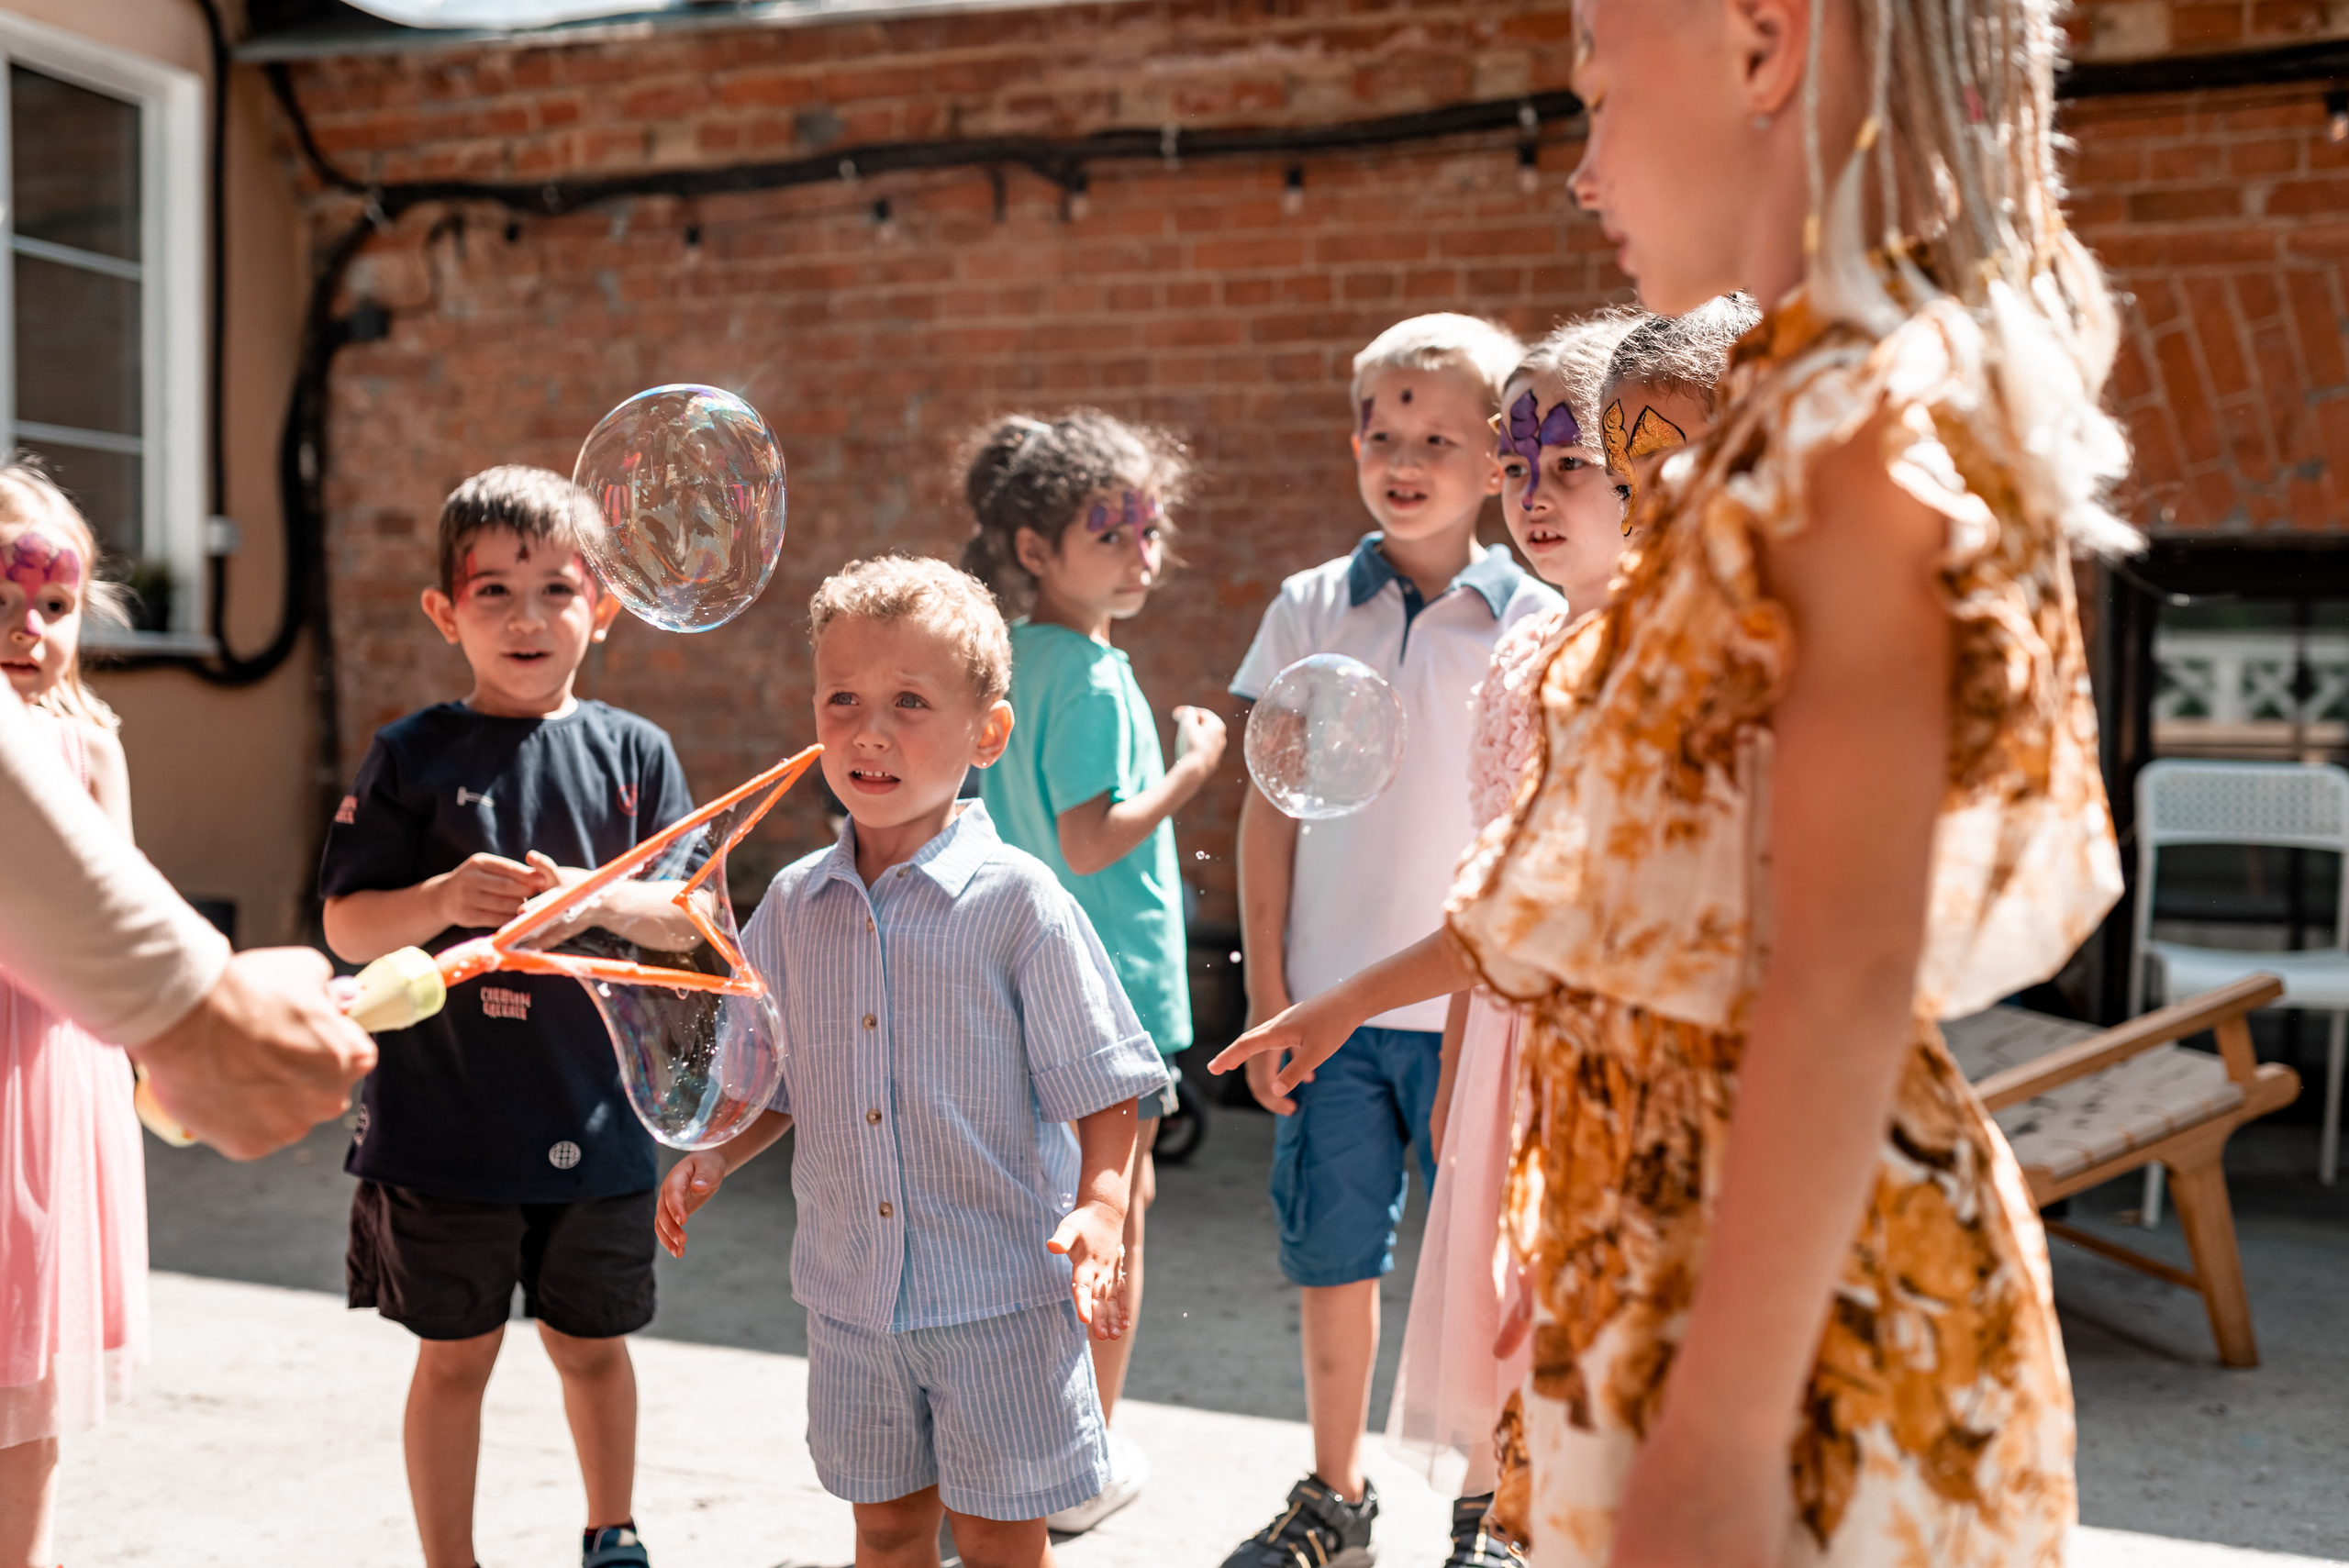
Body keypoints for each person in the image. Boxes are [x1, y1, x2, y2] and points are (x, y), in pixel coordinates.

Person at [1444, 1, 2133, 1562]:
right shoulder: (1796, 417)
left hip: (1792, 1341)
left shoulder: (1848, 444)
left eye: (1600, 89)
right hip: (1687, 1268)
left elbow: (1844, 971)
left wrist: (1723, 1432)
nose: (1583, 167)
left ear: (1765, 49)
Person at [1214, 299, 1753, 1561]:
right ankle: (1473, 1508)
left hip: (1621, 1046)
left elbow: (1528, 907)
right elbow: (1492, 886)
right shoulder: (1531, 650)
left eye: (1568, 463)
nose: (1534, 492)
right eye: (1520, 464)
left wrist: (1347, 999)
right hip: (1507, 1037)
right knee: (1501, 1305)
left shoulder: (1654, 654)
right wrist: (1453, 1046)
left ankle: (1522, 1515)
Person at [655, 555, 1169, 1568]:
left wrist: (1103, 1206)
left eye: (908, 702)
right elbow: (776, 1078)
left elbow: (1108, 1083)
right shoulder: (797, 903)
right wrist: (717, 1149)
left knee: (993, 1532)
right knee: (885, 1527)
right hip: (853, 1300)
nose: (868, 731)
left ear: (987, 733)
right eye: (841, 698)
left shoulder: (1019, 902)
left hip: (999, 1301)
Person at [1220, 313, 1563, 1568]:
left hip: (1484, 1014)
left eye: (1440, 437)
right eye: (1383, 432)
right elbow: (1267, 816)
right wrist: (1271, 990)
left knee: (1482, 1275)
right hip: (1328, 1016)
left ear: (1496, 463)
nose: (1404, 457)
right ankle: (1334, 1498)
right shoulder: (1312, 606)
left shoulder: (1535, 609)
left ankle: (1486, 1508)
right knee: (1332, 1255)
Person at [319, 466, 695, 1568]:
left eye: (556, 590)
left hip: (600, 1122)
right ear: (446, 612)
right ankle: (452, 1557)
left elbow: (686, 921)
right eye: (493, 591)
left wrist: (597, 898)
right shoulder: (411, 754)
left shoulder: (636, 754)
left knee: (592, 1343)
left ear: (604, 608)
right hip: (445, 1130)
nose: (526, 618)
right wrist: (436, 902)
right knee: (453, 1356)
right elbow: (346, 925)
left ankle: (610, 1527)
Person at [959, 411, 1228, 1534]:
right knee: (1116, 1214)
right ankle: (1081, 1460)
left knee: (1038, 1212)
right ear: (1033, 548)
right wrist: (1193, 767)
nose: (1140, 551)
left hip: (1016, 980)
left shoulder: (1009, 661)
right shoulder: (1100, 678)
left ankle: (1014, 1443)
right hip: (1107, 993)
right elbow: (1092, 837)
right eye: (1110, 530)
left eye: (1148, 529)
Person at [0, 463, 157, 1568]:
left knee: (31, 1345)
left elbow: (127, 912)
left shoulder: (89, 742)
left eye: (54, 604)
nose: (28, 626)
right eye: (1, 598)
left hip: (46, 1077)